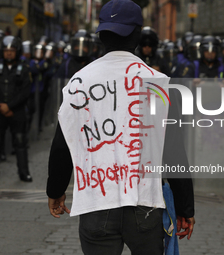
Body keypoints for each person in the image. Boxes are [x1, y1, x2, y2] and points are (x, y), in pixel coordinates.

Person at [46, 1, 195, 254]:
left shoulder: (79, 83)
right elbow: (173, 152)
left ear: (102, 34)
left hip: (96, 202)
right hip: (145, 204)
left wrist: (56, 190)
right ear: (137, 34)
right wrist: (185, 208)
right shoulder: (159, 84)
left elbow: (64, 143)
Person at [0, 35, 32, 182]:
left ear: (17, 51)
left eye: (12, 50)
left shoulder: (23, 69)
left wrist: (9, 106)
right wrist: (0, 105)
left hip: (16, 111)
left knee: (20, 141)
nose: (8, 53)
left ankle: (24, 173)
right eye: (6, 50)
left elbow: (25, 92)